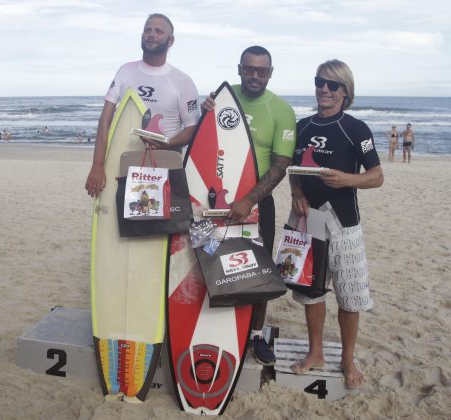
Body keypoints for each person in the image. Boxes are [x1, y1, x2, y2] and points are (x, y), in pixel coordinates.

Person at [289, 59, 384, 390]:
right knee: (311, 292)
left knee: (349, 295)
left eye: (332, 85)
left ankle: (347, 358)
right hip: (306, 221)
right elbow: (293, 172)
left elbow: (377, 176)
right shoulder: (302, 127)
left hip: (344, 223)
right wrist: (296, 193)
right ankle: (315, 352)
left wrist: (347, 180)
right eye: (320, 82)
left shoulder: (355, 128)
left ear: (345, 91)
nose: (324, 89)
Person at [202, 45, 296, 365]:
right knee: (211, 262)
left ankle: (255, 336)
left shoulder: (281, 110)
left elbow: (281, 165)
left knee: (258, 270)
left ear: (270, 73)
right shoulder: (222, 98)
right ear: (239, 69)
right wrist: (203, 113)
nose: (255, 75)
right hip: (215, 199)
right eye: (249, 69)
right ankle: (213, 326)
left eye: (262, 70)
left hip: (257, 203)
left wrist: (249, 200)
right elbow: (202, 144)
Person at [85, 13, 200, 197]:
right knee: (126, 223)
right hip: (124, 161)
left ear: (170, 41)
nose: (151, 34)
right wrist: (97, 165)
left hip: (165, 164)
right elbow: (105, 119)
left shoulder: (182, 81)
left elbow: (193, 128)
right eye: (147, 30)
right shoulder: (125, 71)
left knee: (163, 224)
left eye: (158, 31)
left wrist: (167, 143)